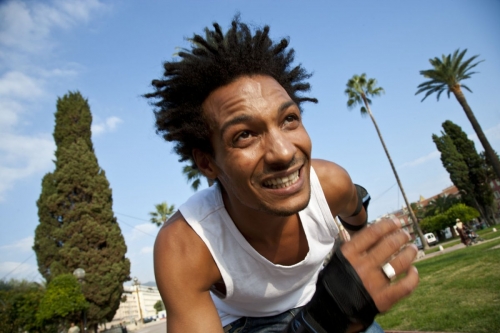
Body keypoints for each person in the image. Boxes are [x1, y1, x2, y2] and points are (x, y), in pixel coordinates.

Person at [148, 17, 418, 333]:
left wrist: (361, 244)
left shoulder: (331, 184)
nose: (284, 152)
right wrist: (320, 324)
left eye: (289, 119)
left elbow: (356, 214)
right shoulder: (184, 245)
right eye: (244, 135)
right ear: (208, 164)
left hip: (322, 292)